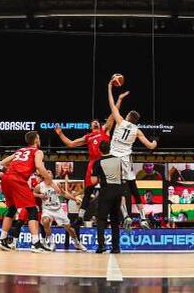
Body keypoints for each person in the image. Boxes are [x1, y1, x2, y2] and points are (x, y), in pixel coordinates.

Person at [55, 92, 126, 221]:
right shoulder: (87, 137)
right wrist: (60, 134)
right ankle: (81, 216)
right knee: (88, 190)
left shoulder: (105, 130)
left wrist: (119, 100)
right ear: (90, 126)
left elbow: (114, 112)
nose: (95, 123)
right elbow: (71, 144)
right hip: (93, 163)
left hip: (106, 161)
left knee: (113, 189)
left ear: (99, 124)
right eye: (93, 122)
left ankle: (123, 215)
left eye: (96, 122)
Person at [106, 77, 158, 221]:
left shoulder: (120, 121)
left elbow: (112, 104)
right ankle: (143, 217)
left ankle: (126, 216)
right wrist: (155, 141)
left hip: (113, 159)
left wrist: (110, 87)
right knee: (134, 189)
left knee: (118, 190)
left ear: (128, 116)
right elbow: (150, 146)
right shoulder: (137, 130)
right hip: (126, 161)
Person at [0, 131, 57, 252]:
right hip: (17, 179)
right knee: (32, 209)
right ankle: (35, 243)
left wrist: (17, 167)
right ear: (36, 140)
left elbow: (2, 163)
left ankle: (2, 239)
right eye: (39, 138)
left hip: (6, 178)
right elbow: (39, 166)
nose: (39, 140)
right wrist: (49, 179)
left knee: (12, 209)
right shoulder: (37, 151)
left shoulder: (20, 150)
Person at [92, 140, 125, 254]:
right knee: (115, 220)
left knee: (101, 220)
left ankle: (101, 246)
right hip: (118, 191)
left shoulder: (98, 162)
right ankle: (116, 247)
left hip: (106, 191)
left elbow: (94, 181)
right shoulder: (119, 160)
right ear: (110, 148)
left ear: (99, 150)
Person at [34, 176, 84, 251]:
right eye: (47, 172)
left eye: (50, 173)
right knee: (45, 221)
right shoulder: (39, 186)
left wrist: (75, 199)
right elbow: (33, 193)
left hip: (58, 210)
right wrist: (39, 195)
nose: (48, 174)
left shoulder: (56, 184)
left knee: (69, 228)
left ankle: (77, 243)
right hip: (47, 210)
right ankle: (52, 243)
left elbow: (64, 194)